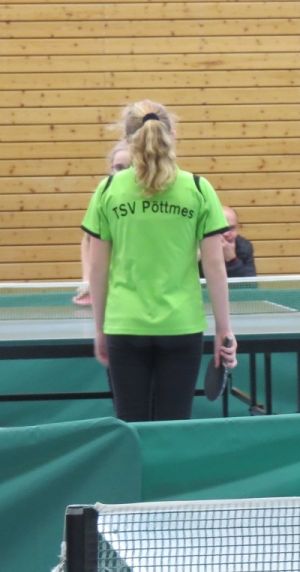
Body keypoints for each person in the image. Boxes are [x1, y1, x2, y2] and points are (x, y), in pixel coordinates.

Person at [81, 100, 237, 421]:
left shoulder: (107, 190)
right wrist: (224, 329)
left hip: (124, 325)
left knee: (131, 425)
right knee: (173, 428)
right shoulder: (198, 188)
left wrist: (100, 329)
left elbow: (97, 269)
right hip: (181, 326)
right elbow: (214, 266)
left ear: (127, 140)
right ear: (172, 135)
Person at [74, 140, 132, 305]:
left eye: (130, 168)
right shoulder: (103, 197)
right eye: (119, 168)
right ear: (111, 168)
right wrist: (87, 279)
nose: (123, 173)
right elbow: (88, 240)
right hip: (114, 284)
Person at [199, 206, 256, 278]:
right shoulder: (197, 247)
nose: (226, 234)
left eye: (231, 228)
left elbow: (250, 283)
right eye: (221, 228)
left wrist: (232, 260)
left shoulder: (244, 247)